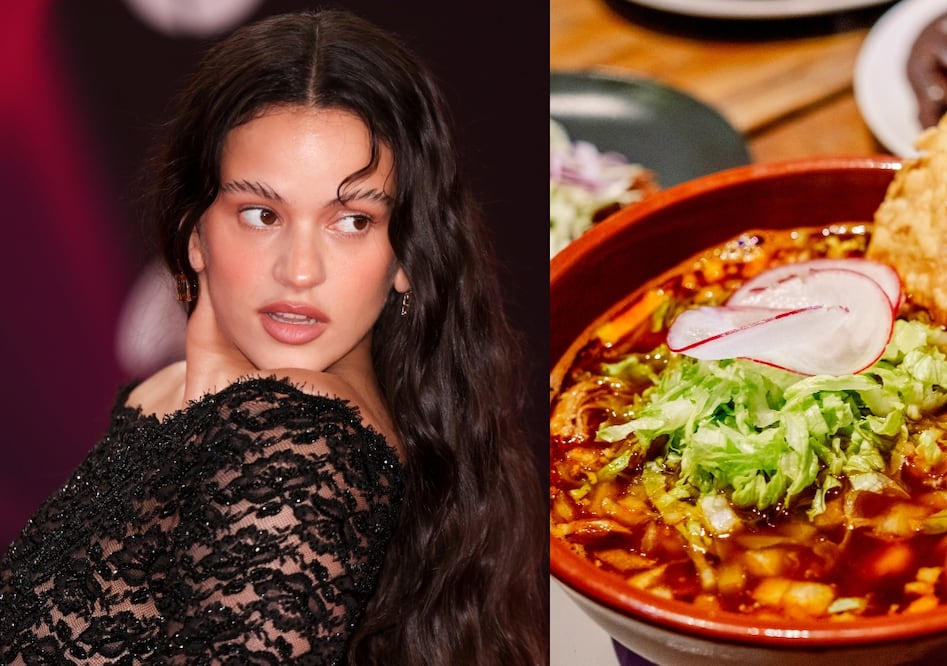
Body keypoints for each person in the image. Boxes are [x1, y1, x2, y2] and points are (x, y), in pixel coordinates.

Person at [0, 8, 547, 664]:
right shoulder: (173, 396)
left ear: (407, 256)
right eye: (262, 214)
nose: (300, 270)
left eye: (351, 221)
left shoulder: (292, 437)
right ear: (193, 232)